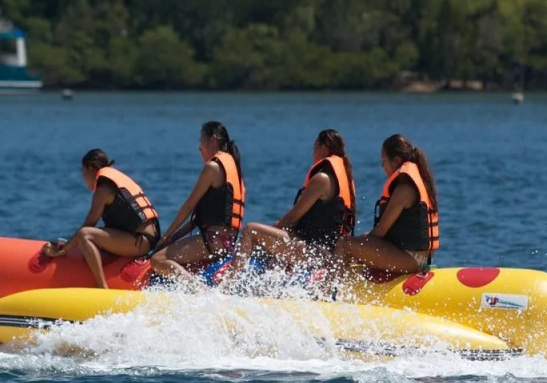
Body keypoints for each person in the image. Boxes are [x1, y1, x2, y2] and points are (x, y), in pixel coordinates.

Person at [226, 129, 356, 282]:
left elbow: (293, 217)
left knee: (250, 230)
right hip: (329, 251)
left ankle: (228, 284)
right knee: (277, 233)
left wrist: (274, 228)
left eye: (314, 148)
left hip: (315, 253)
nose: (312, 154)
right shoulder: (343, 177)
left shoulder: (322, 179)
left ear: (324, 148)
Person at [41, 149, 160, 288]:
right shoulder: (116, 181)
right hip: (147, 239)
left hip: (140, 242)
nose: (84, 178)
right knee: (90, 236)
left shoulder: (103, 190)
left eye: (83, 172)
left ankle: (102, 286)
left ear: (89, 169)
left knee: (85, 234)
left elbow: (88, 225)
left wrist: (62, 250)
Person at [151, 121, 245, 284]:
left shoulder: (213, 167)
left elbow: (189, 206)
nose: (199, 148)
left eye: (201, 141)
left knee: (157, 260)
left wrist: (165, 235)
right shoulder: (233, 168)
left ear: (213, 140)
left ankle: (200, 291)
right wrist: (172, 238)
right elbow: (197, 219)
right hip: (226, 242)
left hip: (213, 242)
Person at [336, 133, 439, 274]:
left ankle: (333, 286)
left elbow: (381, 231)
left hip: (412, 259)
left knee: (344, 244)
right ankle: (355, 279)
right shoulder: (414, 182)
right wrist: (364, 243)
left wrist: (361, 244)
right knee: (362, 241)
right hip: (417, 256)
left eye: (383, 160)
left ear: (396, 161)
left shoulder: (404, 189)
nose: (382, 165)